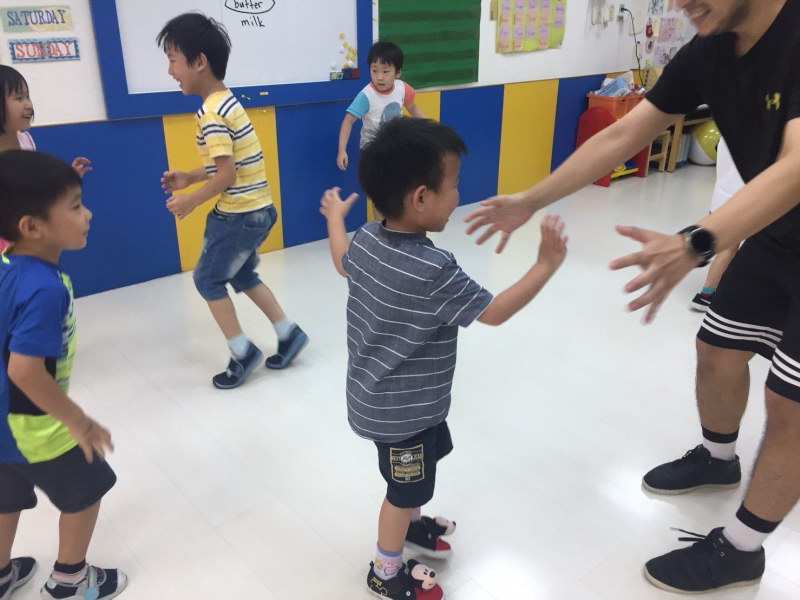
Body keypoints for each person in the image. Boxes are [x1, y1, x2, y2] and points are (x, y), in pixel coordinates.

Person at [464, 0, 800, 593]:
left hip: (784, 211)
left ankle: (743, 549)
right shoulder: (709, 51)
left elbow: (797, 167)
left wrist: (698, 240)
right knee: (717, 350)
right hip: (779, 235)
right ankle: (717, 459)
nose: (679, 3)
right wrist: (531, 200)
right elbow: (625, 131)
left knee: (789, 403)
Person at [321, 117, 567, 599]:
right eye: (453, 185)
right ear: (420, 197)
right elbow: (494, 312)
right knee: (403, 490)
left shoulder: (366, 238)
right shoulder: (433, 269)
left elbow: (339, 260)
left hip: (385, 400)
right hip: (402, 414)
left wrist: (333, 218)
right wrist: (544, 265)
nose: (458, 195)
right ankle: (385, 571)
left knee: (412, 478)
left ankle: (412, 525)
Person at [156, 13, 307, 389]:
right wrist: (189, 176)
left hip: (239, 215)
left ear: (199, 62)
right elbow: (225, 164)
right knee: (241, 274)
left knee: (207, 279)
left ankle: (242, 351)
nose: (171, 71)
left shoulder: (210, 113)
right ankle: (288, 332)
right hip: (260, 209)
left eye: (173, 60)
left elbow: (226, 176)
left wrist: (190, 200)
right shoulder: (227, 103)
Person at [0, 150, 126, 600]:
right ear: (32, 227)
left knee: (6, 497)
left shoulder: (7, 263)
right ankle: (70, 579)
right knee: (88, 489)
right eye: (74, 206)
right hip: (35, 427)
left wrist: (57, 185)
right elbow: (25, 370)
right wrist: (79, 421)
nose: (87, 214)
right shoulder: (44, 289)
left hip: (2, 426)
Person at [0, 65, 91, 255]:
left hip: (28, 234)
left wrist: (62, 182)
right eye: (19, 98)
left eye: (28, 96)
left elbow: (33, 184)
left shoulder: (25, 140)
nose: (28, 105)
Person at [336, 41, 426, 172]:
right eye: (374, 71)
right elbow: (348, 121)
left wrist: (430, 127)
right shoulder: (366, 96)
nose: (379, 77)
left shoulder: (402, 88)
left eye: (385, 71)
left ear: (398, 72)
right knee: (376, 182)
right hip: (372, 150)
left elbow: (413, 108)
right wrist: (342, 150)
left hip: (395, 145)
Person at [689, 137, 744, 312]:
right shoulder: (758, 140)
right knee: (731, 249)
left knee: (723, 247)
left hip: (721, 195)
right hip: (743, 199)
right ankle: (706, 295)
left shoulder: (727, 136)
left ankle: (708, 292)